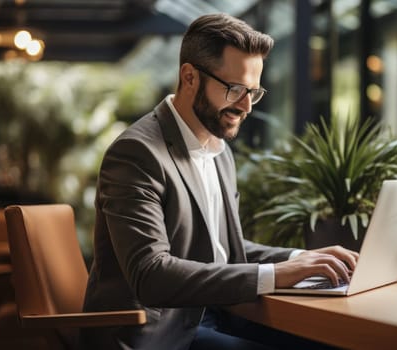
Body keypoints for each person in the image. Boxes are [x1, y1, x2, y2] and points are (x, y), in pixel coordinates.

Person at [79, 13, 358, 350]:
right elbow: (150, 274)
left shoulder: (219, 150)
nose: (246, 106)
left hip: (216, 315)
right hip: (156, 335)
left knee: (330, 341)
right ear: (189, 77)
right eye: (235, 89)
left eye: (253, 92)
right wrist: (279, 275)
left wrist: (304, 259)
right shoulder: (136, 153)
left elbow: (222, 250)